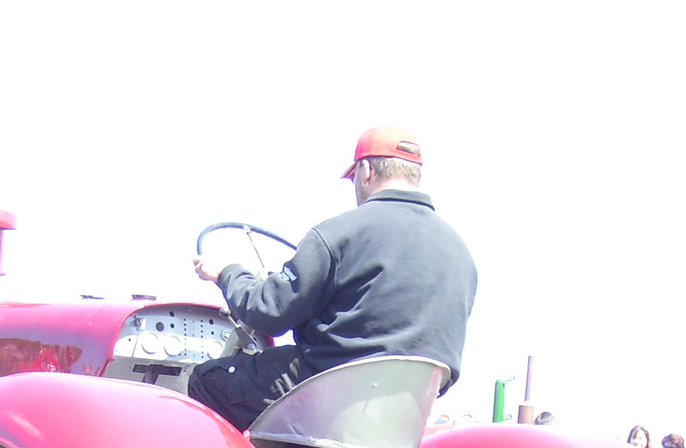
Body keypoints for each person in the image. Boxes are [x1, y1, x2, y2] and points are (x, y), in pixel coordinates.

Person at [187, 126, 478, 431]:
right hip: (406, 411)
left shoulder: (340, 233)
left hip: (330, 392)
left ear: (365, 171)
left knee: (206, 381)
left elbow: (268, 312)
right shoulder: (461, 252)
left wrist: (226, 273)